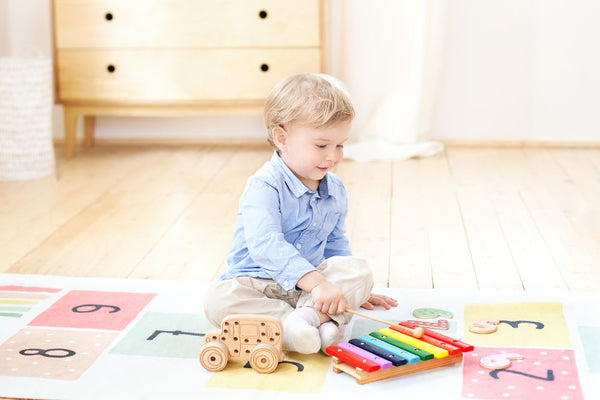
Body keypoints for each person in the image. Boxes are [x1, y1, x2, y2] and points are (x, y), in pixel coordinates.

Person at [203, 73, 397, 354]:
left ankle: (307, 320)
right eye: (321, 145)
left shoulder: (336, 189)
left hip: (307, 292)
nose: (333, 156)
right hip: (257, 284)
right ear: (282, 138)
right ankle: (305, 327)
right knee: (217, 300)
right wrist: (318, 284)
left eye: (340, 145)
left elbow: (335, 246)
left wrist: (350, 291)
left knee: (359, 270)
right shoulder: (264, 186)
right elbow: (265, 245)